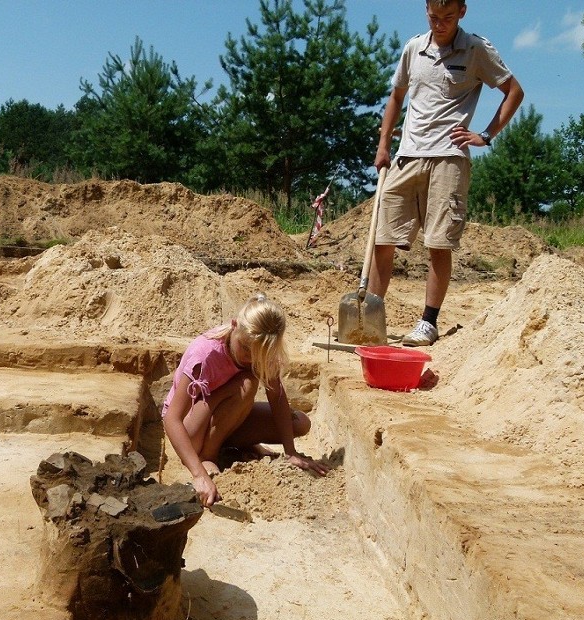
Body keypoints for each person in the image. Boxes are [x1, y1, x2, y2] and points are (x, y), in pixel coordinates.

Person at [369, 0, 524, 346]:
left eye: (448, 17)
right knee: (383, 239)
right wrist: (383, 145)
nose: (440, 24)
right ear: (426, 10)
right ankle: (371, 316)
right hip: (407, 156)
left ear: (463, 12)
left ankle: (428, 322)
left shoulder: (477, 49)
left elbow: (514, 91)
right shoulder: (414, 48)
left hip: (448, 159)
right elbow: (396, 97)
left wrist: (484, 135)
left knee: (438, 242)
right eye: (434, 17)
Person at [162, 293, 329, 507]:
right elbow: (171, 418)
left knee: (300, 423)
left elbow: (277, 398)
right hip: (192, 425)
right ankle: (209, 455)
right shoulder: (205, 354)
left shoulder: (263, 351)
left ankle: (233, 444)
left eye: (257, 353)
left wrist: (291, 452)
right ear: (234, 326)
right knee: (247, 383)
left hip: (226, 417)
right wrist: (198, 474)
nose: (250, 357)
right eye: (246, 348)